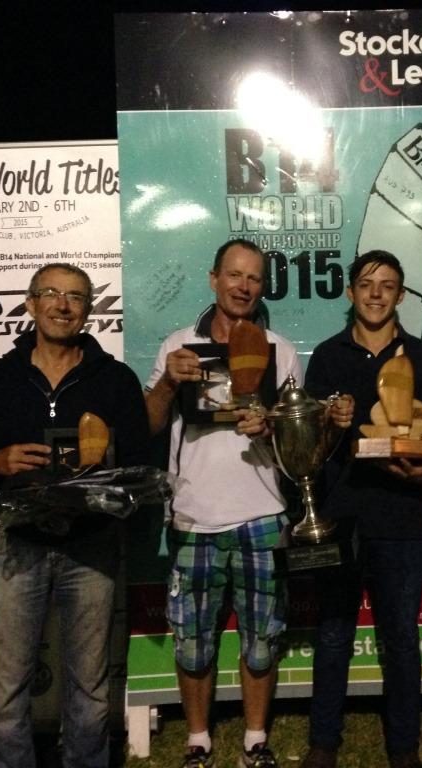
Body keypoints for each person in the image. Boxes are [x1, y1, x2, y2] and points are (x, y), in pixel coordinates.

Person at [0, 263, 149, 768]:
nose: (62, 305)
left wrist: (108, 480)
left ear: (89, 311)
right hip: (15, 543)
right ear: (30, 304)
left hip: (89, 546)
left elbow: (139, 465)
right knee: (5, 688)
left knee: (89, 685)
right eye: (50, 293)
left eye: (75, 297)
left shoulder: (115, 380)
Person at [144, 239, 305, 768]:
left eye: (254, 278)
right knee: (192, 640)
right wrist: (170, 378)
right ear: (213, 279)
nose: (243, 286)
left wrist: (271, 427)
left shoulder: (281, 350)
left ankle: (256, 740)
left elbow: (296, 446)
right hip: (194, 517)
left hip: (262, 515)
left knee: (263, 636)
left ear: (263, 287)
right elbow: (147, 423)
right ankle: (198, 741)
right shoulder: (178, 344)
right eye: (234, 275)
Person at [301, 250, 422, 768]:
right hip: (340, 512)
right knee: (335, 630)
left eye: (388, 285)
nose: (376, 293)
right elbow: (310, 448)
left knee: (402, 638)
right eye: (366, 283)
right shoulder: (326, 357)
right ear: (349, 292)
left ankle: (403, 748)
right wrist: (331, 423)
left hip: (402, 514)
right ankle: (324, 743)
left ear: (401, 295)